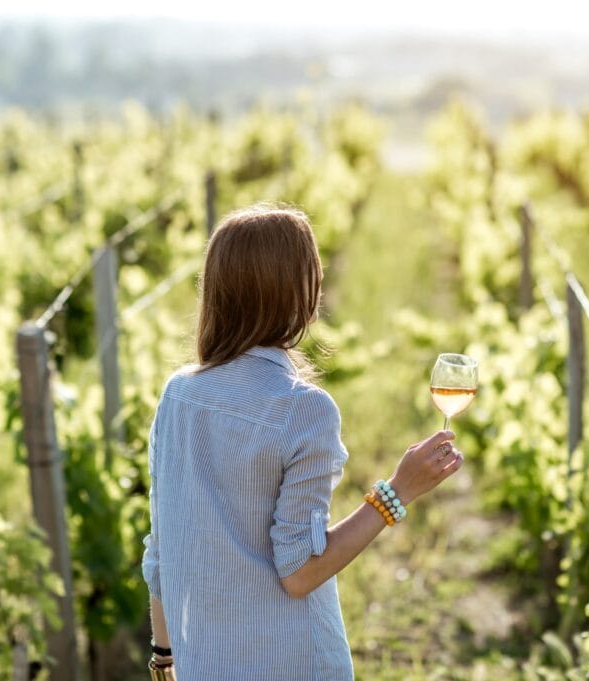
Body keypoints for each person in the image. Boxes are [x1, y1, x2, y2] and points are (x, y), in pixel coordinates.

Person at [140, 204, 464, 680]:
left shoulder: (177, 397)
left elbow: (162, 551)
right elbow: (300, 573)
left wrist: (164, 660)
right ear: (300, 295)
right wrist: (397, 492)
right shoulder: (304, 410)